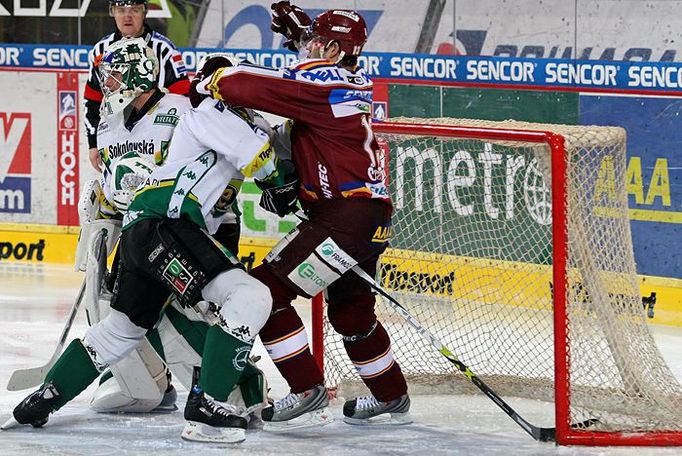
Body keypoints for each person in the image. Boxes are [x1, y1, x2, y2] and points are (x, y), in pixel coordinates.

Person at [1, 53, 288, 444]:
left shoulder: (192, 111)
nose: (110, 85)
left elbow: (250, 167)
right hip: (167, 222)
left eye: (117, 77)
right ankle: (208, 408)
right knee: (251, 297)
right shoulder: (211, 113)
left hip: (144, 227)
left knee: (121, 330)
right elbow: (259, 159)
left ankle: (44, 399)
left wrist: (281, 182)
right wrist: (283, 182)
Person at [195, 3, 412, 428]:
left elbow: (243, 85)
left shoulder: (324, 83)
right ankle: (392, 397)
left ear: (331, 48)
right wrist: (299, 32)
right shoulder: (343, 79)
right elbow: (309, 68)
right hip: (368, 218)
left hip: (341, 218)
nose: (304, 48)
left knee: (264, 292)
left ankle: (306, 388)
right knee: (351, 312)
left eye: (315, 41)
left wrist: (214, 76)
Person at [75, 38, 265, 419]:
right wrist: (106, 202)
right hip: (145, 226)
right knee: (130, 308)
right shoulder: (108, 123)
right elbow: (119, 177)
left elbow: (201, 167)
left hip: (197, 224)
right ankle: (149, 381)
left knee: (194, 312)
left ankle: (232, 387)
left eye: (113, 76)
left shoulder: (183, 111)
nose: (106, 84)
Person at [84, 0, 190, 172]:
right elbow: (92, 99)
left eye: (134, 10)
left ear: (145, 12)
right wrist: (93, 143)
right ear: (112, 12)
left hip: (158, 135)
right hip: (119, 135)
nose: (127, 16)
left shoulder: (164, 49)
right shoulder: (101, 50)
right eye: (120, 10)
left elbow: (184, 100)